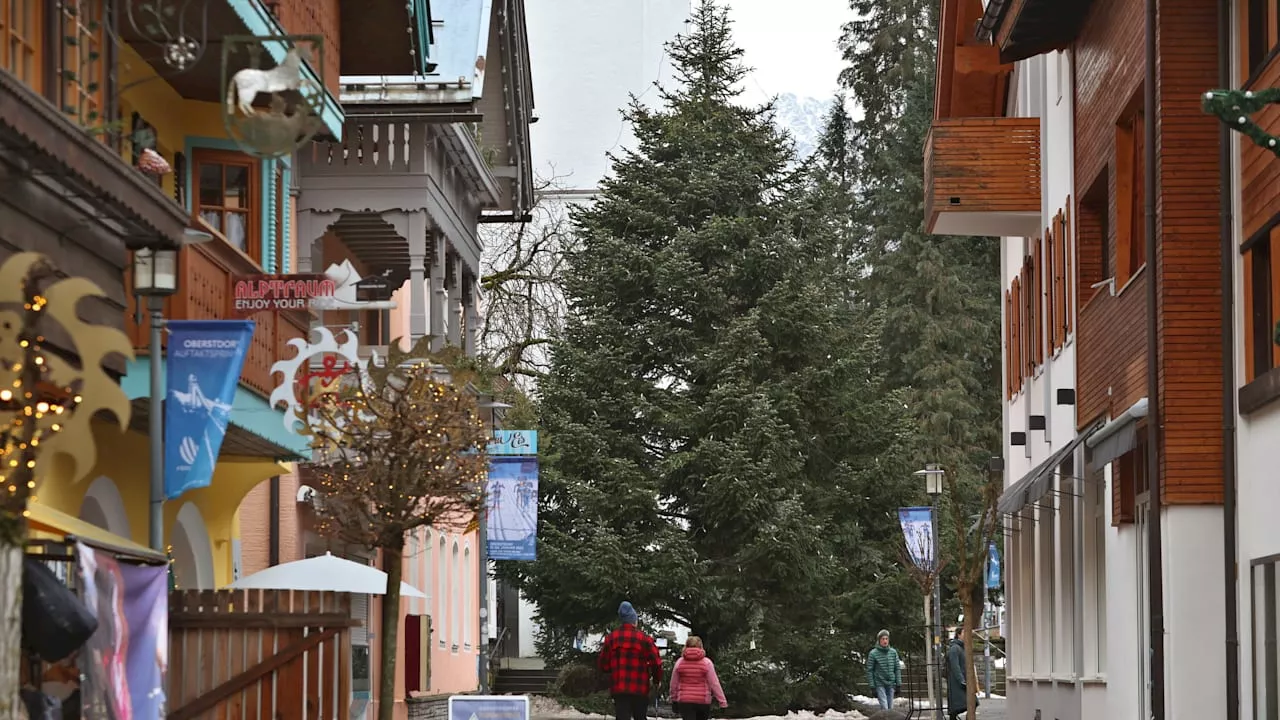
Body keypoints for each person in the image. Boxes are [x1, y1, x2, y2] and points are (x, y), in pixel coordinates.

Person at [598, 601, 663, 720]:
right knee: (640, 716)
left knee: (622, 716)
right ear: (634, 621)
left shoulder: (611, 638)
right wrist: (656, 680)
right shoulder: (645, 639)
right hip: (640, 687)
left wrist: (611, 671)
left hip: (619, 687)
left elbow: (603, 664)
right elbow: (656, 663)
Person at [669, 636, 727, 720]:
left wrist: (673, 699)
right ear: (701, 646)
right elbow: (714, 683)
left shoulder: (679, 662)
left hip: (685, 700)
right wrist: (722, 702)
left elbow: (673, 683)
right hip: (703, 701)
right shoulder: (707, 663)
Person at [865, 629, 901, 710]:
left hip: (891, 683)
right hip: (879, 683)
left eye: (886, 639)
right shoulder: (873, 653)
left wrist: (898, 684)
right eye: (883, 639)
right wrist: (872, 686)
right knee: (884, 707)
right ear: (879, 640)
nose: (885, 641)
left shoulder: (893, 652)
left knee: (890, 707)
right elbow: (870, 670)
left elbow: (897, 668)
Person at [946, 628, 977, 720]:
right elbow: (955, 666)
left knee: (969, 704)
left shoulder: (962, 647)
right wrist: (961, 680)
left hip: (962, 681)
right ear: (958, 635)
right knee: (969, 703)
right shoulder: (955, 648)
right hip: (958, 683)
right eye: (964, 632)